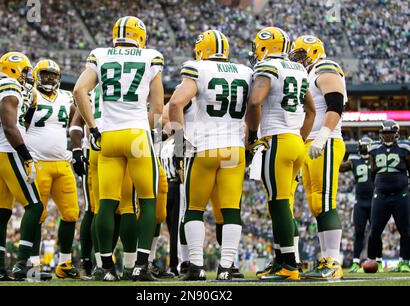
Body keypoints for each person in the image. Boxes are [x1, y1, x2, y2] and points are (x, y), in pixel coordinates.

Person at [73, 16, 164, 281]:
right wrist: (150, 133)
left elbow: (79, 90)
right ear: (141, 36)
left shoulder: (100, 54)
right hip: (137, 134)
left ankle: (106, 267)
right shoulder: (150, 56)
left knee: (105, 204)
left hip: (108, 136)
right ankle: (140, 266)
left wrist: (93, 126)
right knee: (145, 201)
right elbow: (157, 108)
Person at [169, 30, 253, 281]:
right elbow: (254, 109)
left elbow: (174, 104)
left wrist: (178, 146)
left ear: (201, 50)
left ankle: (195, 266)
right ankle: (227, 268)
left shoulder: (198, 69)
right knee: (231, 211)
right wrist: (250, 142)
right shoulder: (246, 73)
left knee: (194, 209)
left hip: (205, 147)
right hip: (234, 148)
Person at [247, 27, 315, 281]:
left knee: (278, 204)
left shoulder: (268, 68)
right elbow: (311, 110)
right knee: (283, 203)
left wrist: (253, 136)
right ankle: (282, 261)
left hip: (276, 140)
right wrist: (300, 137)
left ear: (264, 46)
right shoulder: (298, 68)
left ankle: (289, 266)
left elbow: (255, 101)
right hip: (295, 141)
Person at [0, 52, 48, 281]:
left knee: (1, 213)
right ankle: (23, 264)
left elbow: (20, 122)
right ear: (13, 70)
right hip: (9, 152)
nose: (26, 76)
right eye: (24, 71)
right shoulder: (9, 86)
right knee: (35, 206)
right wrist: (26, 156)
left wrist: (30, 106)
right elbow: (10, 124)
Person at [290, 35, 348, 280]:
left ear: (315, 52)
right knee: (315, 203)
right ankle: (326, 258)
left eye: (302, 54)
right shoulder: (309, 72)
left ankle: (333, 261)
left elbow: (335, 104)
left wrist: (324, 135)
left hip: (326, 141)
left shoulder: (326, 67)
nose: (299, 59)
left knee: (324, 201)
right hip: (311, 142)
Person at [25, 59, 80, 279]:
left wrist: (78, 146)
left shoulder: (67, 97)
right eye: (46, 74)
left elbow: (80, 116)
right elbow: (21, 124)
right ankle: (33, 266)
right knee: (38, 215)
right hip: (38, 162)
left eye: (53, 75)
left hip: (62, 162)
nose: (50, 79)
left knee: (71, 214)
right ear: (37, 75)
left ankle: (64, 264)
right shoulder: (30, 95)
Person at [368, 120, 410, 272]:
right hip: (382, 194)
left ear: (396, 134)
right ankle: (375, 261)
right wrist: (378, 188)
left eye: (390, 133)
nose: (387, 136)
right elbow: (372, 172)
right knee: (375, 230)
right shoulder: (374, 149)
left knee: (405, 229)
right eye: (385, 133)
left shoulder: (405, 148)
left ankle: (404, 261)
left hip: (401, 193)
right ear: (381, 134)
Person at [339, 137, 379, 272]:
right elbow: (340, 167)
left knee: (376, 232)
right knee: (359, 232)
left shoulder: (377, 157)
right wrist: (339, 153)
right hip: (360, 201)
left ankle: (378, 259)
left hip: (374, 200)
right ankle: (356, 261)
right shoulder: (354, 159)